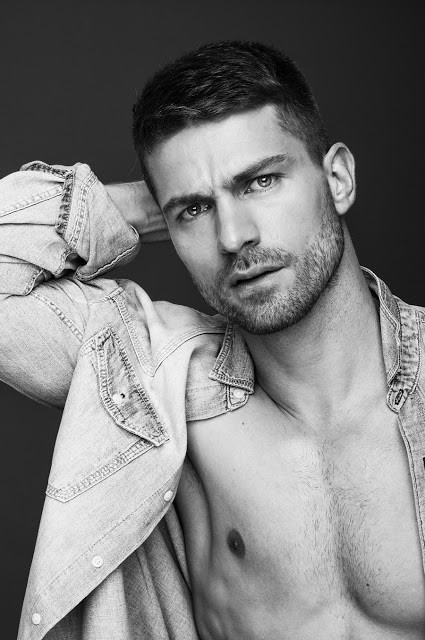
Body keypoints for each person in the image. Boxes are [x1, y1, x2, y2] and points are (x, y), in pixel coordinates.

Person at [1, 40, 424, 640]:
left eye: (261, 181)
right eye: (196, 212)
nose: (232, 237)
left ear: (337, 179)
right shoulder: (159, 384)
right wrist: (154, 201)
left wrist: (191, 194)